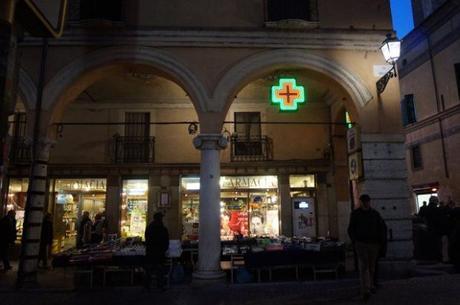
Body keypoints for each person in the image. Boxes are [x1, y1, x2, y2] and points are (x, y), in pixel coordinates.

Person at [348, 194, 386, 301]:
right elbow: (351, 229)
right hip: (362, 244)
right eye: (364, 201)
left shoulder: (374, 214)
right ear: (361, 202)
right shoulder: (357, 214)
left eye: (367, 201)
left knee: (371, 267)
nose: (365, 203)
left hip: (373, 244)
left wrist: (379, 242)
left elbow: (381, 228)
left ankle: (370, 285)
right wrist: (355, 241)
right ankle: (366, 289)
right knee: (364, 266)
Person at [144, 212, 169, 291]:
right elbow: (166, 241)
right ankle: (160, 286)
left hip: (150, 252)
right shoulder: (163, 228)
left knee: (149, 270)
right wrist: (164, 249)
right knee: (160, 270)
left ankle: (147, 286)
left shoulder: (149, 228)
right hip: (160, 253)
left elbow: (146, 239)